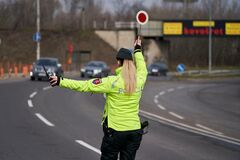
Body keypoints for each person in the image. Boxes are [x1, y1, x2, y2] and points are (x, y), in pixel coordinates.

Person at [49, 36, 148, 160]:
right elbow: (143, 68)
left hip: (115, 132)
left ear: (118, 62)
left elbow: (84, 86)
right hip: (134, 132)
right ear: (131, 63)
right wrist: (137, 50)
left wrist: (60, 81)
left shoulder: (112, 82)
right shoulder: (139, 80)